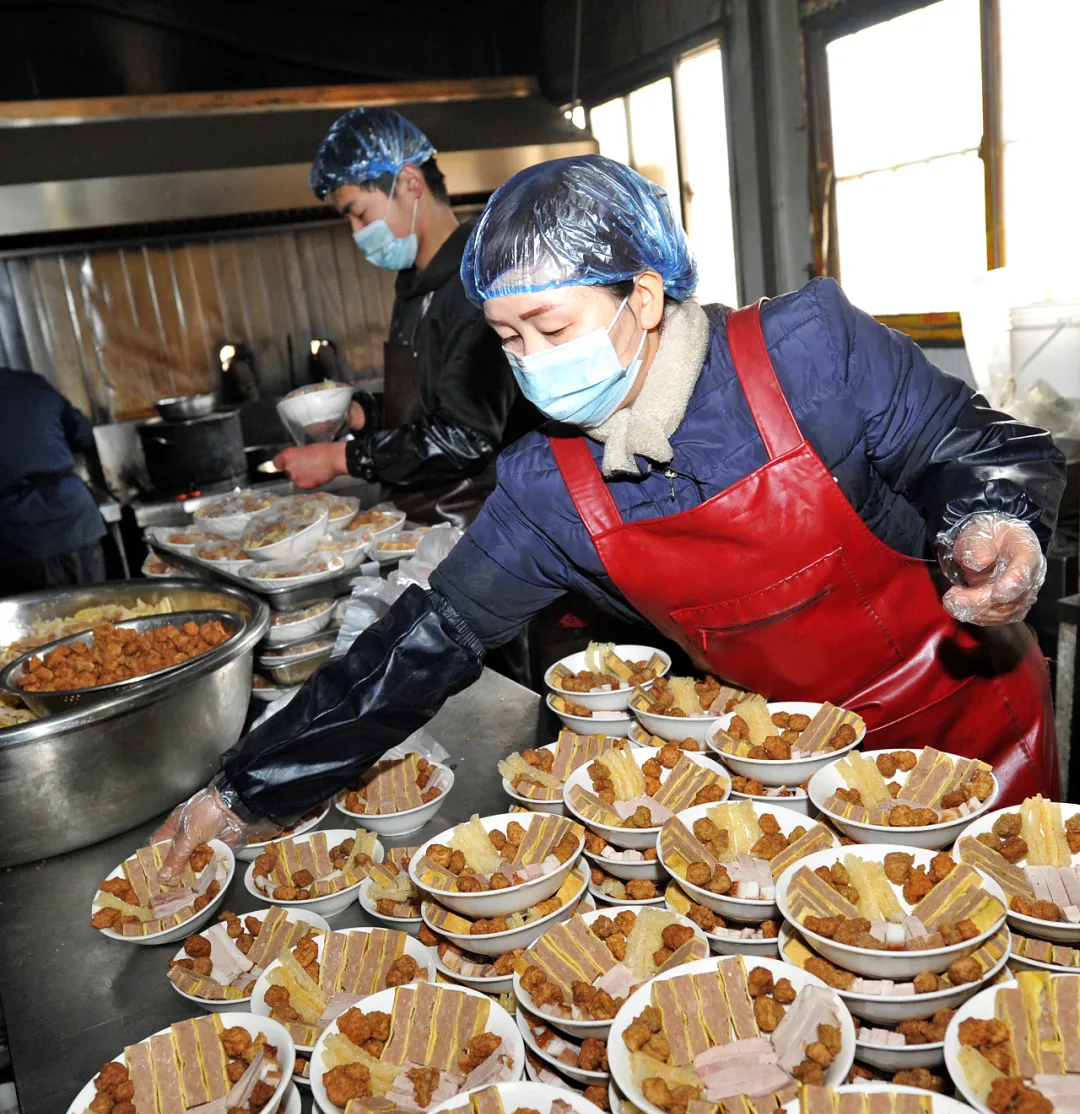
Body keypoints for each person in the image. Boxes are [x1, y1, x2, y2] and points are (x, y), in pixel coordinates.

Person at [156, 155, 1064, 871]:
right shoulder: (551, 488)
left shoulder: (806, 353)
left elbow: (968, 442)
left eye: (552, 329)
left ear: (640, 293)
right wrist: (244, 790)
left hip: (966, 725)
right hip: (793, 769)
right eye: (509, 341)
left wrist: (994, 522)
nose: (533, 363)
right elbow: (421, 643)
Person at [273, 106, 530, 527]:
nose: (357, 232)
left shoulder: (479, 283)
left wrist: (342, 459)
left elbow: (466, 437)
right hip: (421, 526)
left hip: (483, 527)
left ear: (410, 182)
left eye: (359, 212)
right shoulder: (414, 286)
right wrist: (362, 414)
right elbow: (429, 404)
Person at [0, 367, 106, 597]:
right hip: (76, 520)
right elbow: (83, 434)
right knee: (98, 613)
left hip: (19, 538)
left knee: (45, 627)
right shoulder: (32, 383)